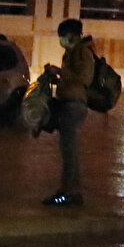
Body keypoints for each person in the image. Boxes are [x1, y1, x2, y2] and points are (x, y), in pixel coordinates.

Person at [42, 18, 96, 207]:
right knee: (68, 151)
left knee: (69, 151)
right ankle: (71, 191)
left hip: (74, 106)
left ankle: (69, 193)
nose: (61, 40)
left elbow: (84, 79)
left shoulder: (83, 53)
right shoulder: (72, 53)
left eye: (63, 36)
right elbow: (71, 80)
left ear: (72, 36)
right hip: (67, 104)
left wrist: (60, 72)